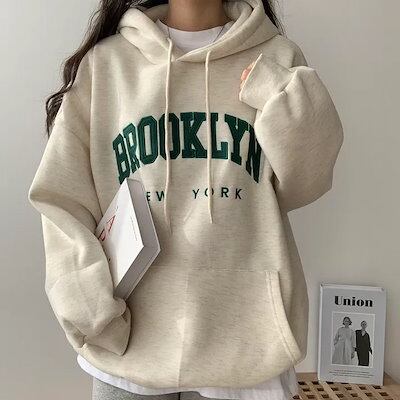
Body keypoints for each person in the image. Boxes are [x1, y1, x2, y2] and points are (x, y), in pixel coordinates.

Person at [27, 0, 344, 399]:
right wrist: (91, 310)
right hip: (127, 351)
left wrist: (278, 92)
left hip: (248, 350)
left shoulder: (276, 59)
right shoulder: (105, 65)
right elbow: (62, 198)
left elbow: (307, 181)